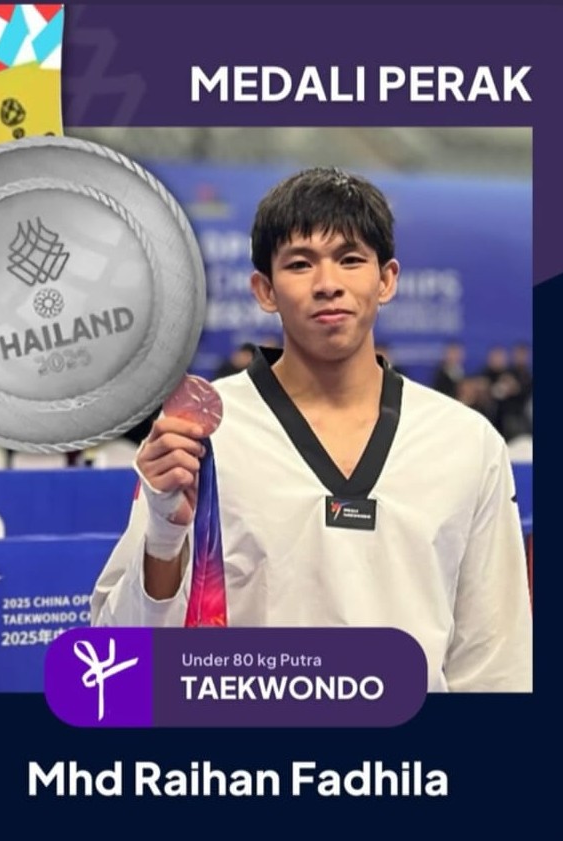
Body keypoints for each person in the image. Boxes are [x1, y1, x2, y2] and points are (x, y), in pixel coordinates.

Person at [91, 167, 532, 693]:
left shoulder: (465, 442)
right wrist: (164, 538)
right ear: (264, 289)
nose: (328, 284)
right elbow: (120, 666)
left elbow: (496, 658)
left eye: (350, 259)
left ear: (386, 279)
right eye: (300, 264)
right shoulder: (198, 437)